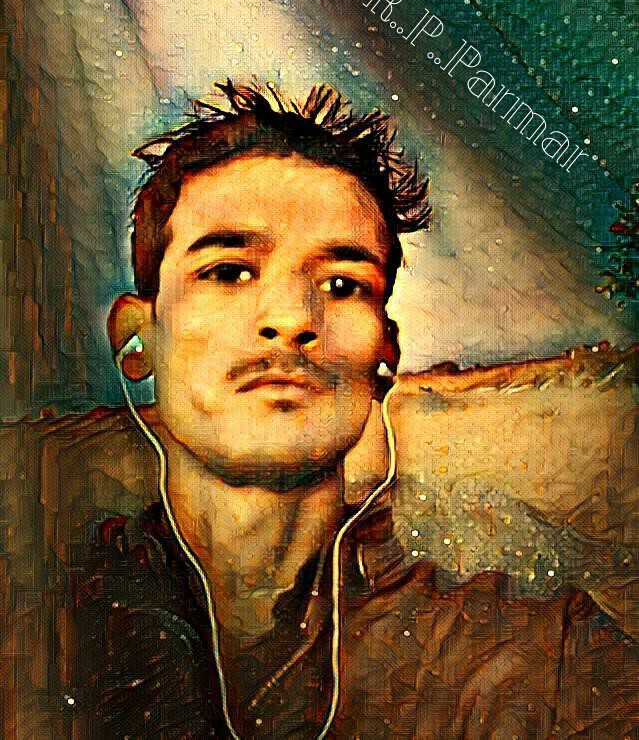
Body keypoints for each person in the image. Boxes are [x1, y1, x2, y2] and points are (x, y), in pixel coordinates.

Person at [1, 81, 637, 739]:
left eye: (341, 284)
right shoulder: (34, 633)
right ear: (139, 338)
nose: (291, 318)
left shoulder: (539, 659)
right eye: (228, 271)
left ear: (384, 355)